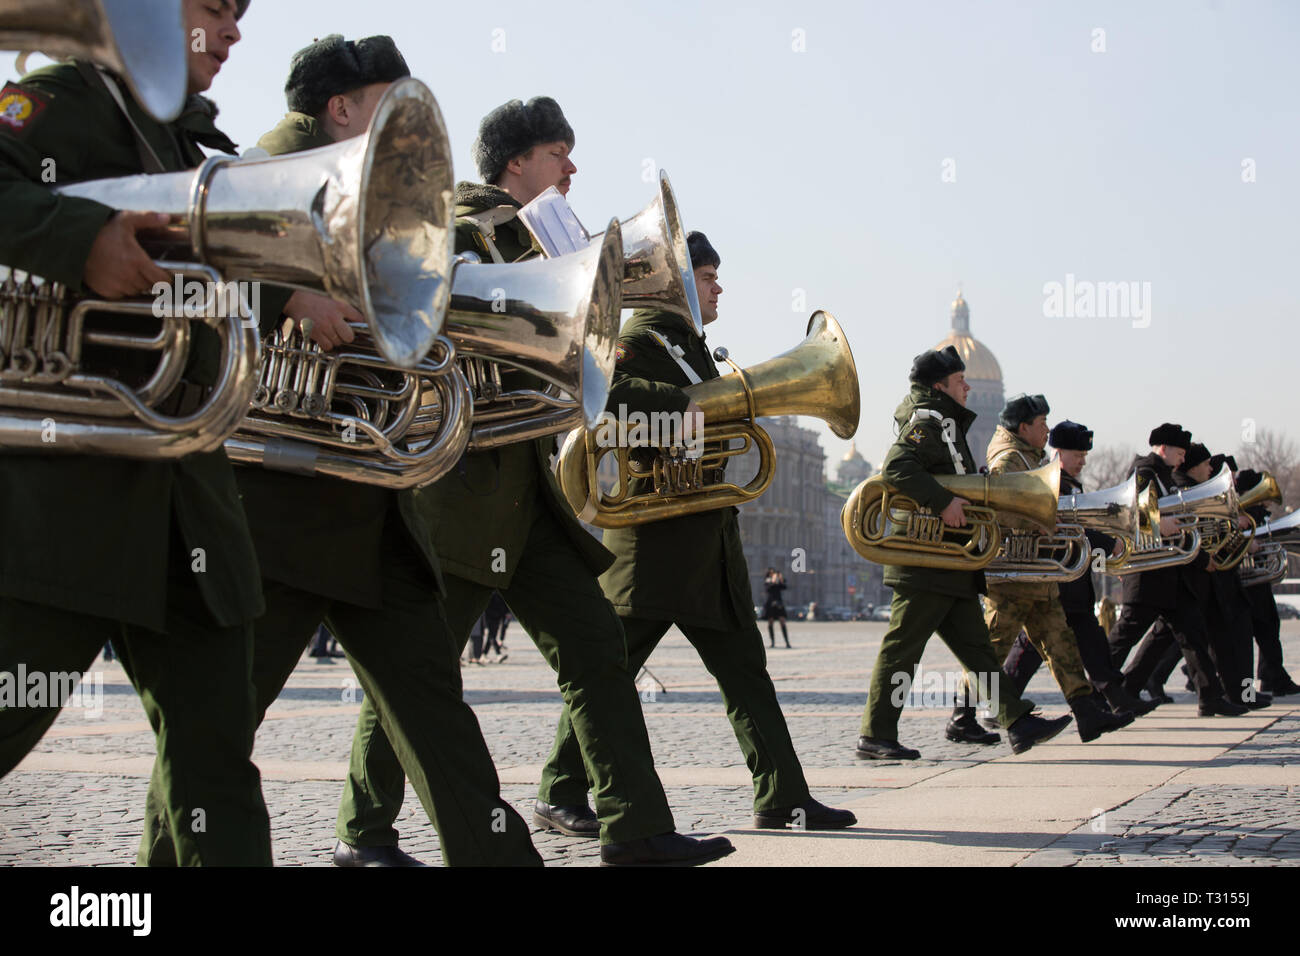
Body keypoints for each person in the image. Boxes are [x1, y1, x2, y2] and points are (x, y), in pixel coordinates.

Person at [137, 34, 545, 868]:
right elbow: (181, 252)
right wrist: (287, 294)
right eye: (388, 104)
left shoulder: (365, 187)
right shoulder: (261, 169)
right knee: (218, 734)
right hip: (279, 506)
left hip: (363, 499)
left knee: (432, 705)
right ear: (343, 106)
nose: (403, 127)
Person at [336, 96, 734, 867]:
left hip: (527, 494)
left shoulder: (539, 238)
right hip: (455, 493)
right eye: (560, 153)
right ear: (517, 163)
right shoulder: (457, 228)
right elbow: (435, 329)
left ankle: (635, 827)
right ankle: (363, 832)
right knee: (415, 668)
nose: (573, 168)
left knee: (596, 652)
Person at [0, 0, 271, 866]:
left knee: (217, 767)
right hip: (69, 506)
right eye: (212, 9)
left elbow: (194, 281)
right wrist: (80, 240)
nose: (231, 33)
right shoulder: (69, 97)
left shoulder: (190, 149)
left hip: (187, 501)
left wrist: (289, 292)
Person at [533, 232, 855, 832]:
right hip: (653, 547)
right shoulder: (635, 341)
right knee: (609, 671)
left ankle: (783, 794)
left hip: (708, 542)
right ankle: (559, 789)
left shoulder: (690, 349)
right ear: (675, 283)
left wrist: (703, 408)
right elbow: (603, 395)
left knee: (746, 675)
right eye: (707, 276)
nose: (718, 287)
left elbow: (707, 416)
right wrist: (682, 405)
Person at [855, 347, 1071, 759]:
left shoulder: (944, 418)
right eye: (960, 381)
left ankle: (1018, 722)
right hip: (925, 558)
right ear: (940, 386)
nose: (968, 386)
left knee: (977, 650)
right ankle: (875, 734)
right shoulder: (928, 418)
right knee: (902, 648)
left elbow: (946, 474)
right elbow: (898, 466)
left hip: (946, 558)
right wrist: (942, 502)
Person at [949, 397, 1130, 745]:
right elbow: (999, 508)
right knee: (993, 647)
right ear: (1023, 428)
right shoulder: (1008, 460)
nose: (1047, 429)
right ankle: (962, 715)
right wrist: (1042, 521)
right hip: (1014, 574)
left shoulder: (1026, 457)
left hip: (1035, 573)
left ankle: (1087, 713)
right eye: (1042, 423)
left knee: (1061, 644)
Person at [988, 421, 1155, 718]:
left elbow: (1082, 528)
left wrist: (1109, 552)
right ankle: (1002, 705)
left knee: (1090, 641)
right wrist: (1108, 543)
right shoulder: (1051, 483)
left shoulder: (1072, 484)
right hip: (1056, 580)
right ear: (1058, 452)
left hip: (1072, 581)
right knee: (1033, 647)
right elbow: (1067, 528)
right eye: (1077, 454)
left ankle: (1112, 698)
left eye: (1084, 455)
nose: (1083, 460)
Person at [1106, 429, 1247, 717]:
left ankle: (1209, 697)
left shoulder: (1164, 475)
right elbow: (1135, 514)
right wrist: (1160, 524)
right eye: (1180, 452)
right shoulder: (1144, 472)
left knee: (1193, 635)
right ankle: (1096, 688)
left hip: (1168, 573)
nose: (1184, 457)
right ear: (1164, 448)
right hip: (1147, 574)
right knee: (1126, 635)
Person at [1236, 468, 1300, 696]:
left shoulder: (1250, 511)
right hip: (1250, 581)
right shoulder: (1247, 511)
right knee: (1264, 630)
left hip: (1254, 579)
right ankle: (1269, 680)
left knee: (1267, 629)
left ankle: (1271, 677)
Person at [763, 569, 791, 648]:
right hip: (770, 603)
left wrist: (780, 579)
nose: (773, 574)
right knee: (770, 622)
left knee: (782, 621)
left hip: (779, 603)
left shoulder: (779, 581)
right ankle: (772, 642)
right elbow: (768, 589)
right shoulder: (768, 581)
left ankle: (787, 642)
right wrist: (773, 581)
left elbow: (784, 587)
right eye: (771, 573)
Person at [482, 592, 510, 663]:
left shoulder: (498, 593)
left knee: (491, 636)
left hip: (497, 617)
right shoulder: (492, 593)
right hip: (490, 618)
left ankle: (484, 655)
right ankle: (498, 654)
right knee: (492, 636)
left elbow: (503, 603)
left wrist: (506, 612)